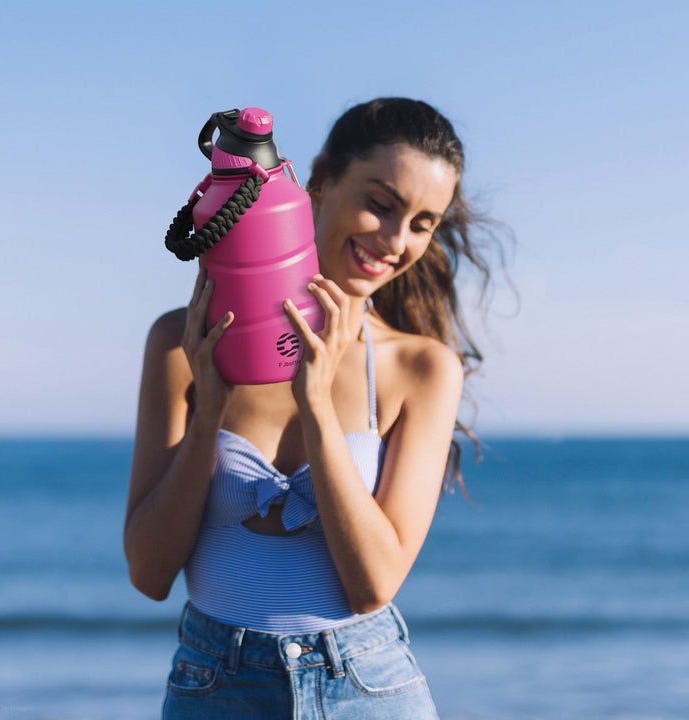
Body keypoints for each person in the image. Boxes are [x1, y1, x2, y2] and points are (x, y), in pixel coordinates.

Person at [124, 97, 497, 719]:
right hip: (216, 687)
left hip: (367, 689)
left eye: (422, 223)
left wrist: (318, 408)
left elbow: (372, 584)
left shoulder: (421, 369)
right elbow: (149, 573)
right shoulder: (181, 343)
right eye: (380, 204)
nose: (395, 241)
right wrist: (209, 412)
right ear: (319, 181)